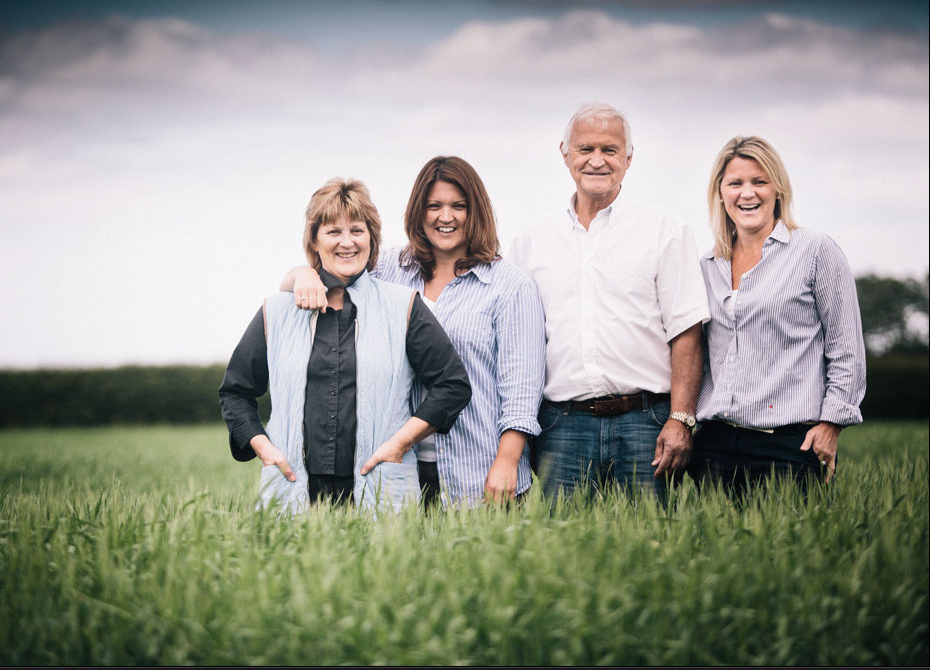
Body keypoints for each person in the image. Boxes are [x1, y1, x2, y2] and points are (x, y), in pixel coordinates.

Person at [286, 157, 546, 507]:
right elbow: (336, 263)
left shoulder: (510, 286)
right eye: (434, 206)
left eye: (459, 206)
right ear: (418, 211)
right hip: (399, 474)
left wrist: (507, 462)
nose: (445, 217)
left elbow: (521, 391)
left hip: (477, 471)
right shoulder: (391, 270)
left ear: (477, 211)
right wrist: (304, 272)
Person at [219, 178, 471, 513]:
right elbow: (236, 392)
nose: (347, 242)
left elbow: (452, 385)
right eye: (333, 232)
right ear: (314, 239)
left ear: (372, 239)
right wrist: (265, 449)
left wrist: (400, 444)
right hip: (293, 491)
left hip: (381, 489)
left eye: (357, 230)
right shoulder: (276, 311)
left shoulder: (403, 306)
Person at [506, 102, 710, 503]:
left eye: (610, 150)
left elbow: (687, 332)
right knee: (559, 549)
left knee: (645, 549)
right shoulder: (532, 239)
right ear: (564, 154)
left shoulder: (665, 231)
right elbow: (516, 340)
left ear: (628, 158)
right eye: (585, 149)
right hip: (560, 425)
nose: (597, 160)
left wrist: (681, 419)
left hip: (646, 422)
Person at [689, 136, 866, 494]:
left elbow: (846, 347)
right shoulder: (707, 267)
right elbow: (697, 355)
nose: (747, 193)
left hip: (789, 446)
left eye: (759, 181)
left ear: (778, 189)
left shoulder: (816, 251)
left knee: (788, 549)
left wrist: (832, 424)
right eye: (735, 183)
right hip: (715, 446)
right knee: (714, 549)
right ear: (720, 193)